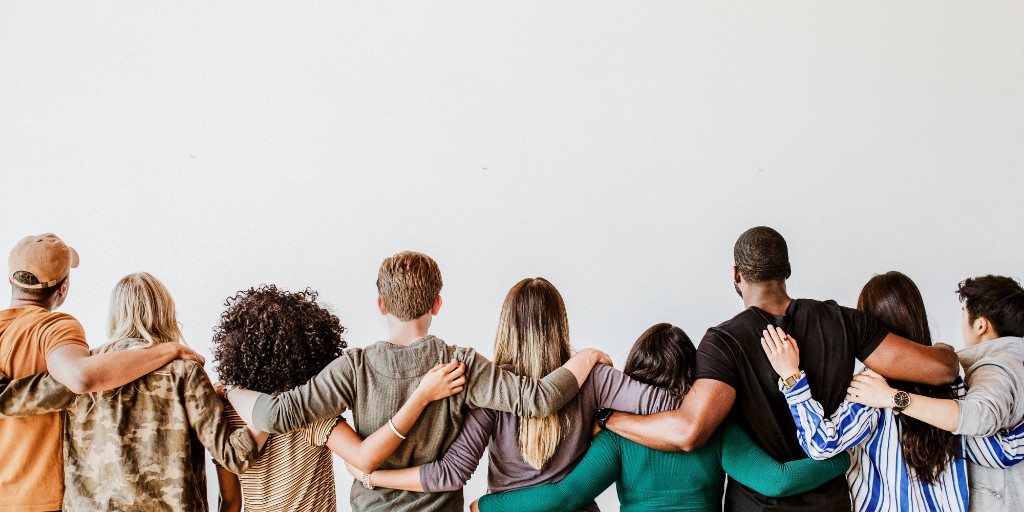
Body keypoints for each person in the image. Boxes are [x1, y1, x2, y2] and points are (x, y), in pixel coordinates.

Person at [600, 226, 960, 511]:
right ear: (787, 270)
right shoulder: (844, 322)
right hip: (832, 504)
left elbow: (689, 432)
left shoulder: (723, 342)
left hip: (757, 507)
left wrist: (609, 420)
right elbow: (942, 370)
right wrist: (944, 349)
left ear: (737, 274)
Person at [225, 251, 611, 512]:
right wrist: (588, 356)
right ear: (437, 304)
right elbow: (539, 399)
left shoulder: (353, 368)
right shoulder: (460, 364)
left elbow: (275, 414)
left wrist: (231, 390)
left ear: (381, 304)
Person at [345, 278, 680, 512]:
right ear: (559, 324)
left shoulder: (493, 388)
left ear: (506, 325)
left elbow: (450, 473)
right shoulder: (595, 378)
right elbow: (670, 405)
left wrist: (373, 476)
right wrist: (607, 420)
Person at [470, 323, 851, 512]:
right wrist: (845, 458)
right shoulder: (713, 429)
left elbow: (565, 496)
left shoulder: (616, 434)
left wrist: (485, 506)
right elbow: (776, 481)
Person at [761, 271, 1024, 511]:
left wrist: (792, 377)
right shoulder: (953, 383)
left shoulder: (871, 388)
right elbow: (997, 452)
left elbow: (821, 444)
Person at [0, 272, 261, 511]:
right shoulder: (185, 372)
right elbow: (232, 457)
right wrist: (271, 411)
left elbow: (9, 400)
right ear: (165, 312)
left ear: (115, 314)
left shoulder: (86, 370)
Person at [213, 285, 467, 512]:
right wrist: (421, 396)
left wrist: (230, 390)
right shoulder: (311, 415)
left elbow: (230, 502)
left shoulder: (224, 410)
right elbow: (365, 458)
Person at [0, 234, 203, 511]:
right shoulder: (56, 328)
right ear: (63, 288)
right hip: (40, 499)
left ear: (11, 279)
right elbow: (81, 378)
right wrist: (167, 351)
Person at [848, 274, 1024, 511]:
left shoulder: (995, 367)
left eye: (964, 314)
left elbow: (981, 424)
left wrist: (892, 398)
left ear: (980, 325)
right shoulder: (1004, 364)